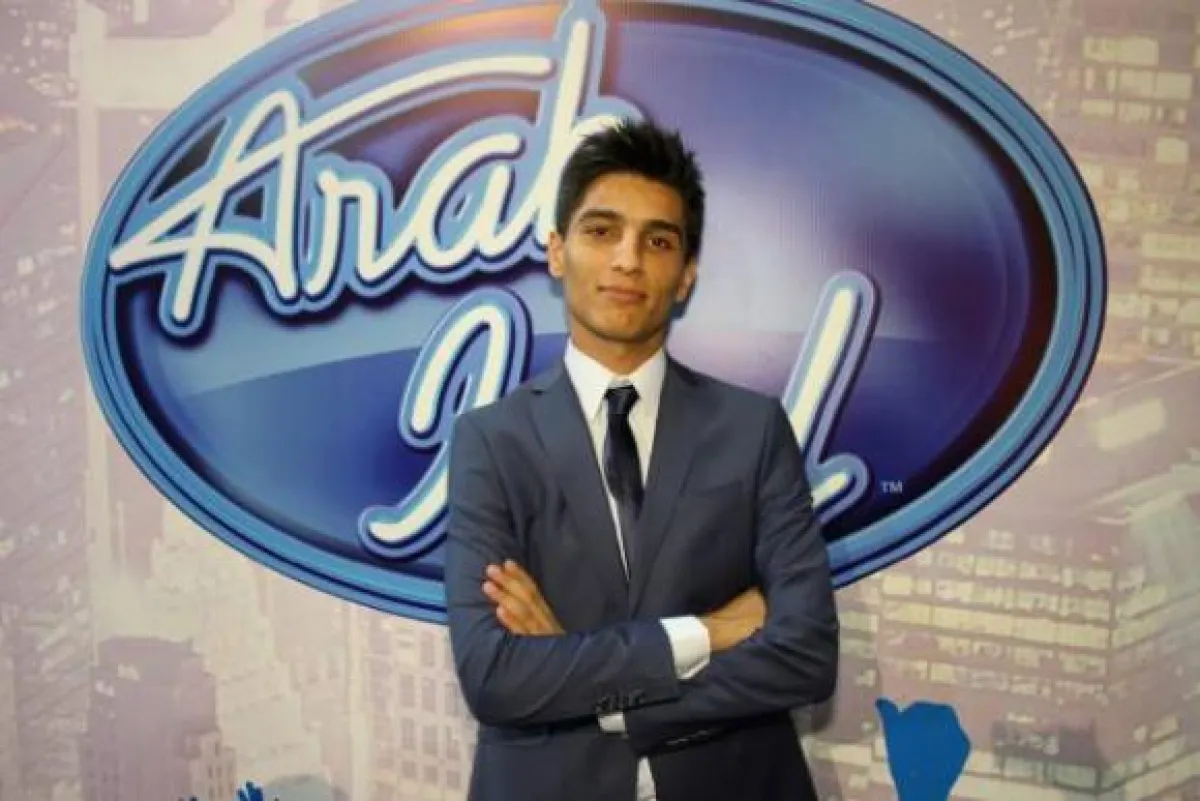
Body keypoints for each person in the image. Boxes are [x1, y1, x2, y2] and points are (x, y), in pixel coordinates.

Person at [444, 116, 839, 801]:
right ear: (557, 251)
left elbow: (806, 654)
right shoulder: (491, 441)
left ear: (686, 276)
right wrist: (708, 632)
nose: (628, 259)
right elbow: (495, 675)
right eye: (602, 231)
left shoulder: (753, 429)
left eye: (658, 241)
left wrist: (613, 700)